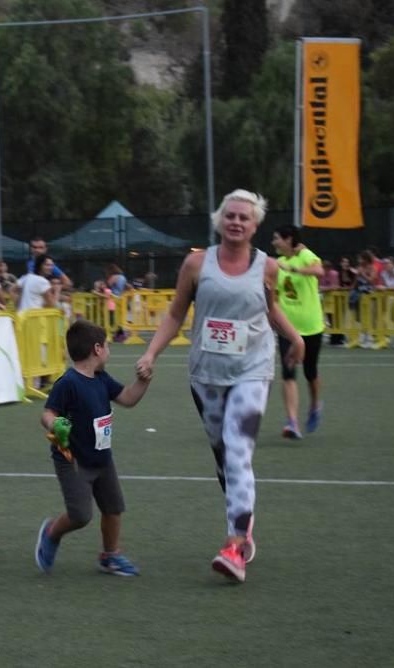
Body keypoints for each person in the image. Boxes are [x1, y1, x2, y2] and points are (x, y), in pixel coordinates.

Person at [135, 190, 304, 583]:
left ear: (255, 224)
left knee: (238, 451)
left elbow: (270, 305)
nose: (236, 222)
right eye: (230, 216)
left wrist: (294, 338)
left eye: (244, 217)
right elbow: (176, 313)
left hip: (253, 368)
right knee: (223, 454)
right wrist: (151, 353)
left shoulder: (268, 266)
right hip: (206, 373)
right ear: (219, 220)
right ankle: (243, 518)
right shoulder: (196, 263)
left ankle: (234, 545)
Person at [34, 320, 151, 576]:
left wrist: (143, 381)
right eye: (107, 346)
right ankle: (52, 532)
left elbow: (128, 398)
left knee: (113, 508)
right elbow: (47, 413)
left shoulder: (101, 378)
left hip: (102, 457)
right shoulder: (69, 382)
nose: (109, 350)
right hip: (73, 459)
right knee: (80, 515)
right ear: (97, 349)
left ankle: (110, 555)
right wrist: (56, 423)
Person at [270, 224, 325, 439]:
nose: (274, 242)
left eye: (277, 238)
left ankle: (314, 406)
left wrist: (294, 269)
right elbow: (275, 295)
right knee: (288, 372)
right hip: (288, 329)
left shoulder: (304, 254)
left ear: (288, 238)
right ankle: (292, 422)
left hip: (312, 326)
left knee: (310, 372)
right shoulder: (277, 264)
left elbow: (319, 271)